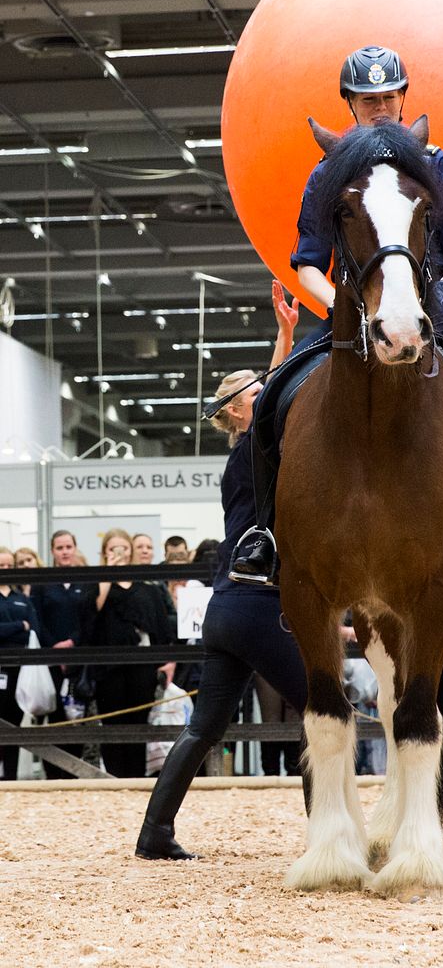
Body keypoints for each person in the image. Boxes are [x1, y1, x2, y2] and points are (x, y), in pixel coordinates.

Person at [231, 44, 443, 592]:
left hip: (434, 306)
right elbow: (308, 263)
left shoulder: (436, 163)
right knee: (271, 399)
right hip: (355, 313)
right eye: (369, 100)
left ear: (404, 97)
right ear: (351, 105)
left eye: (389, 97)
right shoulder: (327, 173)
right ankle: (264, 536)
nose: (381, 108)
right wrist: (343, 310)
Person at [135, 280, 308, 860]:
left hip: (226, 607)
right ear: (236, 409)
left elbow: (274, 396)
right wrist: (283, 339)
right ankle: (330, 836)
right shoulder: (251, 446)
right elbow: (275, 392)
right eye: (249, 391)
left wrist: (283, 336)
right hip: (257, 605)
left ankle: (155, 833)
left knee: (204, 726)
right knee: (323, 713)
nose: (262, 394)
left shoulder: (247, 454)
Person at [81, 529, 173, 777]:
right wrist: (107, 575)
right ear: (104, 553)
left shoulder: (146, 587)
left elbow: (161, 626)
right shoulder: (97, 584)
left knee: (139, 720)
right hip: (108, 665)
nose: (119, 553)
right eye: (113, 549)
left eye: (123, 548)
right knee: (112, 721)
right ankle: (113, 776)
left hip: (142, 664)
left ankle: (136, 776)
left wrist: (169, 660)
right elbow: (90, 613)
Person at [28, 528, 96, 779]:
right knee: (54, 714)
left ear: (75, 548)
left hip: (79, 660)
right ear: (52, 551)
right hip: (50, 660)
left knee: (77, 715)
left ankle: (75, 770)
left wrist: (73, 643)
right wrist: (54, 647)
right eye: (60, 547)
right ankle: (53, 773)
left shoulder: (85, 580)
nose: (65, 552)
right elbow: (35, 618)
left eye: (69, 547)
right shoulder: (43, 582)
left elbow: (90, 618)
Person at [0, 546, 43, 781]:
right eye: (1, 566)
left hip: (20, 669)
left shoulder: (22, 599)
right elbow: (23, 627)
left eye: (9, 566)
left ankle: (11, 778)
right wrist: (18, 626)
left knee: (15, 723)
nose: (6, 570)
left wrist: (18, 630)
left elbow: (33, 628)